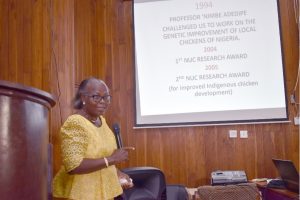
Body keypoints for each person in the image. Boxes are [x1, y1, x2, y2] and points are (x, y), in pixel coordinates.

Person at [53, 77, 134, 200]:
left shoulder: (102, 121)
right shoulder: (75, 123)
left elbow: (102, 158)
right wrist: (112, 159)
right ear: (83, 98)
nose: (103, 101)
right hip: (82, 194)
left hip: (104, 194)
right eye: (96, 97)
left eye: (106, 97)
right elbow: (73, 165)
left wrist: (118, 173)